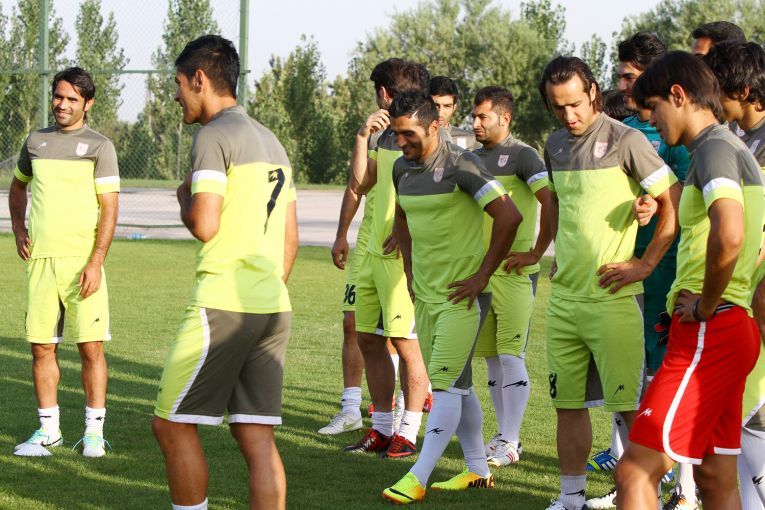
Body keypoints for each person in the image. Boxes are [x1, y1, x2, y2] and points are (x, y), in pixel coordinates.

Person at [151, 35, 298, 510]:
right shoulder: (272, 140)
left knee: (170, 424)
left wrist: (184, 199)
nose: (176, 96)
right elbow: (290, 239)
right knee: (256, 436)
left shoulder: (212, 136)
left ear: (199, 79)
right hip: (273, 305)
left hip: (223, 305)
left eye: (178, 84)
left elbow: (205, 224)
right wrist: (263, 290)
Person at [615, 50, 764, 510]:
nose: (652, 121)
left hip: (710, 329)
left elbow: (731, 233)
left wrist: (704, 305)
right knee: (715, 477)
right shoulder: (727, 147)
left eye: (653, 108)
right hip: (729, 327)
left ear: (678, 96)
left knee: (635, 470)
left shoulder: (715, 148)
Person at [537, 56, 681, 510]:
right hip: (564, 300)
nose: (568, 115)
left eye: (575, 104)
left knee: (630, 408)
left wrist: (644, 264)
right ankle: (571, 501)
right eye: (558, 107)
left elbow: (672, 201)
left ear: (593, 92)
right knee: (567, 406)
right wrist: (552, 254)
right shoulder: (553, 145)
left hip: (614, 299)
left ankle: (659, 495)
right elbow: (558, 206)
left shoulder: (627, 140)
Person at [382, 90, 521, 504]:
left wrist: (482, 276)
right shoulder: (401, 169)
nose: (401, 143)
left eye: (408, 134)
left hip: (463, 299)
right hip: (425, 297)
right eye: (396, 134)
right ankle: (477, 470)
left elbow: (509, 216)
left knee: (443, 388)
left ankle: (418, 476)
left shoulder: (462, 164)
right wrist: (410, 271)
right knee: (458, 386)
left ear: (435, 126)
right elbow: (401, 218)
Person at [586, 31, 695, 510]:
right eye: (621, 76)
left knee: (668, 377)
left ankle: (686, 490)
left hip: (663, 270)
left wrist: (656, 207)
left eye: (631, 77)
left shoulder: (675, 137)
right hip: (620, 271)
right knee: (627, 377)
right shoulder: (620, 129)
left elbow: (684, 201)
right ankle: (630, 477)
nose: (623, 86)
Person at [9, 67, 119, 458]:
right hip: (40, 262)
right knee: (42, 349)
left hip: (82, 264)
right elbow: (18, 186)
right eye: (58, 96)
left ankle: (93, 434)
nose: (62, 104)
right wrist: (18, 228)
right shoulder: (35, 142)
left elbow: (110, 208)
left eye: (72, 99)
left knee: (91, 348)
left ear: (88, 104)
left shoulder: (100, 147)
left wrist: (96, 260)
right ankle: (49, 431)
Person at [341, 58, 430, 459]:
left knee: (406, 344)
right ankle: (380, 428)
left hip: (401, 259)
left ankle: (407, 432)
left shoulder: (428, 138)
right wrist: (363, 137)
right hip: (373, 255)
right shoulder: (386, 138)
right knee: (368, 339)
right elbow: (361, 183)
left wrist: (408, 230)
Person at [470, 85, 553, 466]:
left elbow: (549, 202)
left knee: (510, 355)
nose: (475, 123)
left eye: (482, 116)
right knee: (491, 359)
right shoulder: (471, 158)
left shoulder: (523, 155)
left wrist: (536, 252)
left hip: (515, 274)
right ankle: (502, 435)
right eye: (474, 116)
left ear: (505, 118)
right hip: (481, 273)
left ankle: (512, 439)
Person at [704, 41, 765, 510]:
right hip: (745, 293)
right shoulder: (735, 139)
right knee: (740, 419)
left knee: (752, 413)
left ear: (742, 90)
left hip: (757, 295)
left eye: (716, 89)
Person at [319, 186, 375, 435]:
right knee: (351, 322)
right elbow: (355, 186)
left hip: (403, 240)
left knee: (398, 332)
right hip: (367, 243)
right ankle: (351, 409)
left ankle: (404, 416)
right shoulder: (370, 153)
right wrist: (341, 234)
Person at [429, 75, 479, 150]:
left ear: (454, 108)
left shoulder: (470, 140)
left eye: (447, 106)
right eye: (435, 106)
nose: (440, 114)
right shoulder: (414, 138)